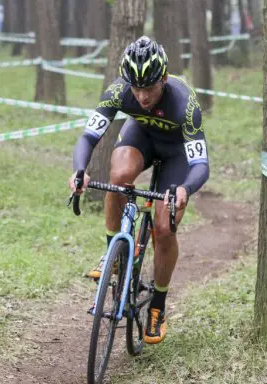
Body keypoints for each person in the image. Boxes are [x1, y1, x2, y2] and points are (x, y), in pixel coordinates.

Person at [68, 36, 210, 345]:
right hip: (141, 137)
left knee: (164, 227)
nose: (142, 96)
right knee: (118, 176)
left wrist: (185, 189)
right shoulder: (119, 90)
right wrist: (80, 170)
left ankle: (157, 305)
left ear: (163, 79)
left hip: (176, 155)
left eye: (149, 88)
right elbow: (88, 137)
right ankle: (113, 254)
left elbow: (201, 164)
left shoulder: (184, 104)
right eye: (136, 88)